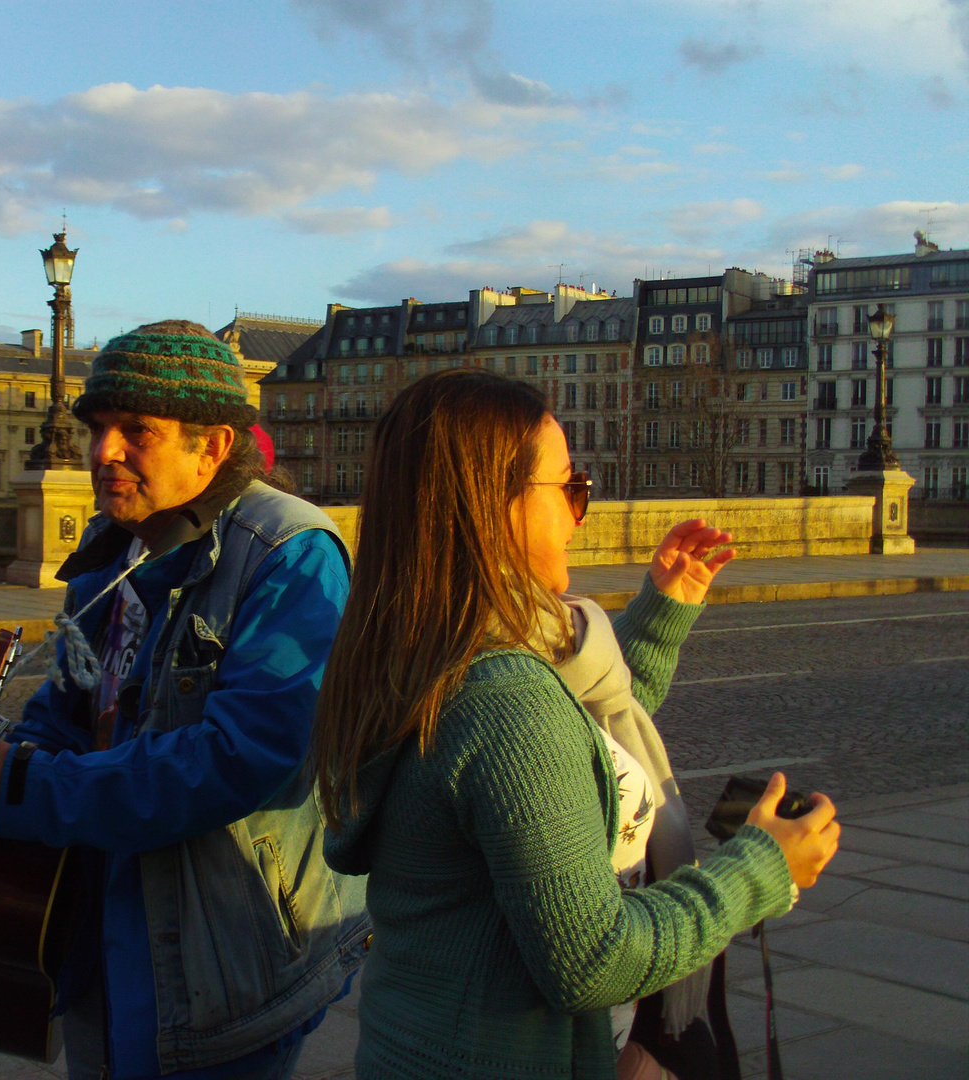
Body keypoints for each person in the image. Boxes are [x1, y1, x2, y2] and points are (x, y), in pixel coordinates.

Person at [313, 370, 840, 1080]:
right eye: (570, 487)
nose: (579, 511)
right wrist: (761, 869)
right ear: (490, 505)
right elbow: (594, 959)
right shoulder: (502, 697)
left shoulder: (415, 648)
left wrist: (660, 612)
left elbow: (573, 751)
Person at [0, 321, 370, 1080]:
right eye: (97, 428)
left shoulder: (292, 555)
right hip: (98, 915)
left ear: (214, 446)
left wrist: (30, 790)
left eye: (137, 431)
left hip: (221, 941)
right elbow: (67, 709)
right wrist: (1, 801)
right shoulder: (108, 552)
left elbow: (243, 758)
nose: (104, 452)